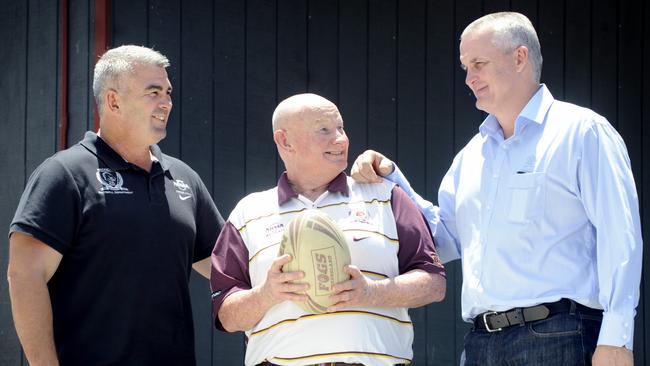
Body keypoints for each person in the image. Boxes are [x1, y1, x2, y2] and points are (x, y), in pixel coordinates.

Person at [351, 12, 642, 366]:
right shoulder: (471, 155)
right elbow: (443, 241)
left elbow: (620, 235)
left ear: (519, 58)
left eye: (479, 64)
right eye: (465, 68)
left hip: (559, 336)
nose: (469, 78)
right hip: (480, 344)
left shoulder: (582, 132)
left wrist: (617, 338)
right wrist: (392, 181)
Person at [7, 45, 224, 365]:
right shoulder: (65, 173)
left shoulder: (182, 178)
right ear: (113, 100)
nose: (166, 102)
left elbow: (226, 264)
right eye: (153, 92)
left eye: (168, 92)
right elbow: (24, 275)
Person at [210, 93, 446, 366]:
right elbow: (226, 316)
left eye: (341, 128)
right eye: (324, 129)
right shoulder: (247, 212)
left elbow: (434, 284)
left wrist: (372, 292)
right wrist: (267, 294)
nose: (341, 139)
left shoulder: (386, 196)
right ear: (284, 140)